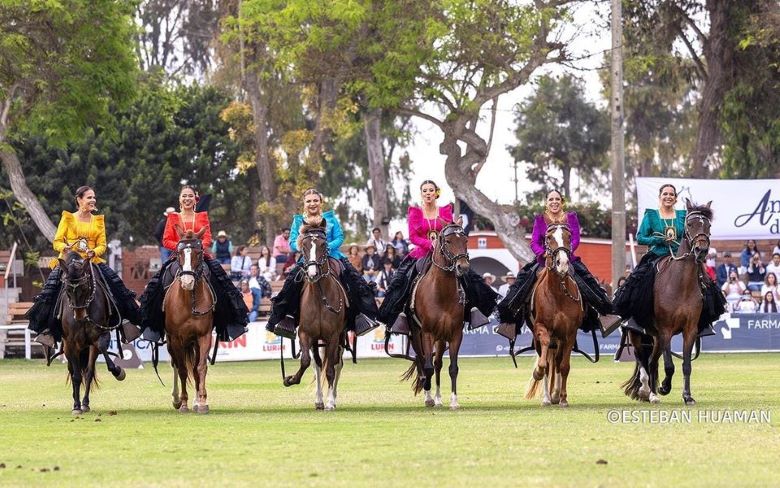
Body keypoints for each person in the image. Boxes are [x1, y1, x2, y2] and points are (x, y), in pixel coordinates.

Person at [27, 186, 141, 348]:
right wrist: (64, 248)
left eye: (94, 197)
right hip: (69, 262)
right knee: (49, 291)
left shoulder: (98, 221)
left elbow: (102, 245)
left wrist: (93, 252)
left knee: (116, 285)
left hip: (91, 262)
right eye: (89, 198)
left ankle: (125, 323)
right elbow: (57, 241)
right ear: (79, 200)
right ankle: (47, 331)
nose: (93, 200)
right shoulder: (68, 218)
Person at [377, 180, 498, 333]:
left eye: (431, 190)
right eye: (425, 190)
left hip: (445, 254)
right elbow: (413, 237)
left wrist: (443, 241)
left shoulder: (445, 210)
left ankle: (473, 310)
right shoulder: (415, 212)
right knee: (401, 280)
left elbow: (449, 231)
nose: (428, 193)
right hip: (421, 253)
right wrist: (430, 244)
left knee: (469, 277)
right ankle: (401, 316)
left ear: (436, 193)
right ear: (422, 194)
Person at [139, 185, 248, 343]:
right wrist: (181, 247)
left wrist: (196, 247)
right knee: (157, 285)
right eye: (184, 196)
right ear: (180, 199)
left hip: (200, 256)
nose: (187, 199)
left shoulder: (202, 216)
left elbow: (208, 238)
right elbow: (166, 240)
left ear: (195, 199)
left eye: (190, 196)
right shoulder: (173, 218)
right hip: (179, 257)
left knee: (222, 283)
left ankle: (229, 323)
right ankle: (153, 325)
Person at [612, 183, 725, 337]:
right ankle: (634, 319)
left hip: (681, 257)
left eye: (671, 194)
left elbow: (694, 228)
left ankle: (704, 322)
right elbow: (640, 238)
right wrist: (659, 239)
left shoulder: (682, 216)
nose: (668, 197)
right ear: (660, 197)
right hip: (656, 256)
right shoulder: (651, 215)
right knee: (639, 282)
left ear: (676, 199)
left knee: (706, 282)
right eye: (665, 194)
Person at [498, 189, 616, 334]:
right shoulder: (540, 219)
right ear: (546, 203)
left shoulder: (571, 217)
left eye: (557, 199)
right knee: (521, 285)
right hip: (544, 260)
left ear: (562, 202)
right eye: (551, 199)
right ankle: (510, 323)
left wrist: (565, 253)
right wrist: (543, 253)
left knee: (589, 283)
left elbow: (576, 239)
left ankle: (603, 316)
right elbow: (534, 242)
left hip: (568, 258)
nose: (554, 202)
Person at [265, 188, 379, 339]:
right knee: (290, 284)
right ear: (304, 203)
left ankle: (359, 316)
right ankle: (288, 318)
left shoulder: (330, 218)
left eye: (315, 200)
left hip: (333, 257)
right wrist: (304, 247)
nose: (312, 203)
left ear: (320, 202)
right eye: (309, 201)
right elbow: (292, 242)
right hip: (307, 259)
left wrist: (324, 248)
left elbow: (339, 237)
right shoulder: (298, 220)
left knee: (355, 281)